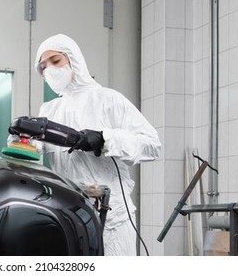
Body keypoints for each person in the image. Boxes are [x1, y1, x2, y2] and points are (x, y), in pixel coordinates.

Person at [34, 34, 162, 256]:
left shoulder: (108, 100)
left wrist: (106, 139)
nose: (50, 71)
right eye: (43, 67)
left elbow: (152, 145)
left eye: (55, 61)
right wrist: (23, 140)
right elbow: (31, 152)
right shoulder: (50, 111)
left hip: (112, 218)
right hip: (69, 215)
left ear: (73, 59)